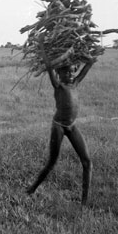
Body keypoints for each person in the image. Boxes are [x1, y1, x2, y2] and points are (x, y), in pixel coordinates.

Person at [26, 55, 96, 206]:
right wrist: (43, 46)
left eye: (72, 72)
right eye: (66, 73)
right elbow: (49, 65)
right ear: (59, 74)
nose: (70, 75)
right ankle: (32, 189)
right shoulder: (58, 85)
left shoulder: (75, 83)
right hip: (58, 126)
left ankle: (84, 201)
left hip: (72, 126)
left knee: (87, 162)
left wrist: (82, 53)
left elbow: (90, 63)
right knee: (52, 162)